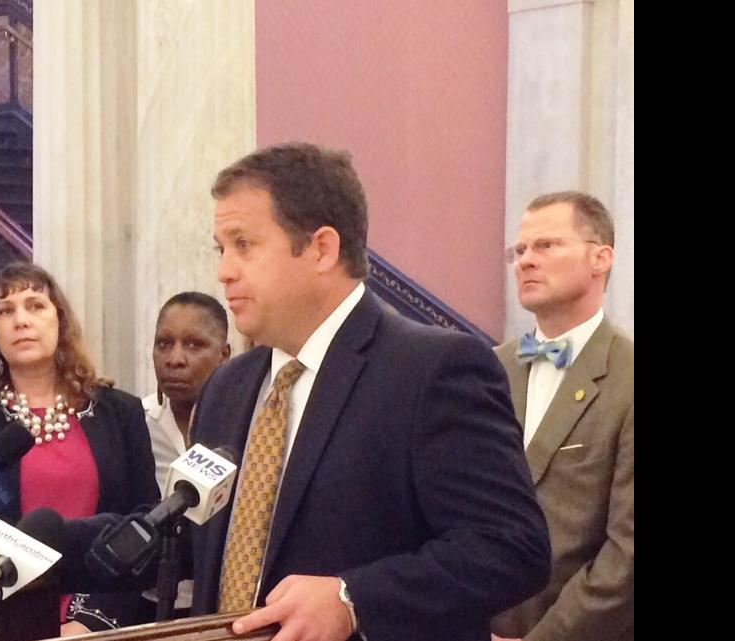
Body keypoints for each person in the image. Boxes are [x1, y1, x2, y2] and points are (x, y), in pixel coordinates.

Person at [189, 142, 551, 641]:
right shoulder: (228, 387)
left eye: (243, 244)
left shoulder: (433, 370)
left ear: (322, 249)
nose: (224, 270)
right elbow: (192, 532)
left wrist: (353, 598)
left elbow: (511, 547)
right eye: (220, 248)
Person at [0, 262, 159, 626]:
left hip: (104, 619)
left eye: (35, 306)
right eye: (5, 311)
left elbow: (145, 527)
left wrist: (91, 620)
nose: (21, 321)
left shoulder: (119, 412)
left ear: (60, 321)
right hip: (4, 614)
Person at [490, 191, 633, 641]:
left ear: (600, 258)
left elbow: (626, 553)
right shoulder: (486, 370)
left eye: (546, 246)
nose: (526, 261)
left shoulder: (629, 378)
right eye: (519, 251)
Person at [145, 291, 232, 494]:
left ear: (224, 355)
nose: (175, 359)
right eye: (164, 344)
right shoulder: (139, 424)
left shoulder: (245, 425)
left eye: (194, 345)